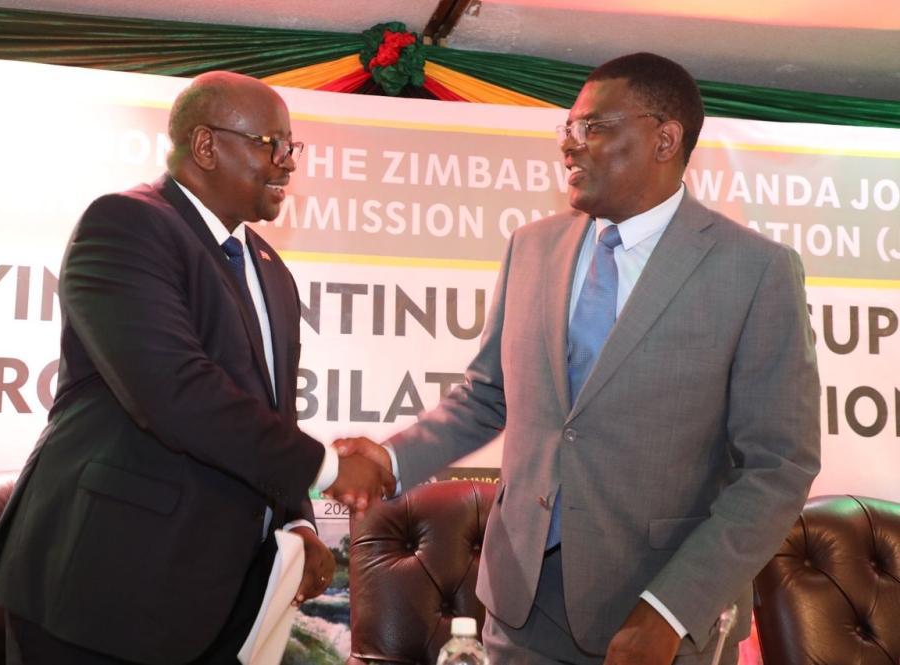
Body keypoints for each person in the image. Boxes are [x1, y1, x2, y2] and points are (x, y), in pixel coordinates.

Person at [335, 52, 820, 664]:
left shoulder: (754, 271)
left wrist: (670, 610)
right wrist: (390, 458)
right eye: (568, 127)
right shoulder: (532, 246)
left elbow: (778, 467)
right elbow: (488, 395)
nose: (570, 145)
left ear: (664, 139)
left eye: (594, 127)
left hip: (658, 610)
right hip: (521, 602)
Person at [0, 71, 393, 665]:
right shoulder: (126, 224)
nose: (288, 162)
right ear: (205, 146)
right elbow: (175, 391)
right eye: (271, 144)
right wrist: (327, 467)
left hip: (218, 600)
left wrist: (297, 522)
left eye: (291, 146)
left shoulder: (270, 269)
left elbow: (272, 413)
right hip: (101, 588)